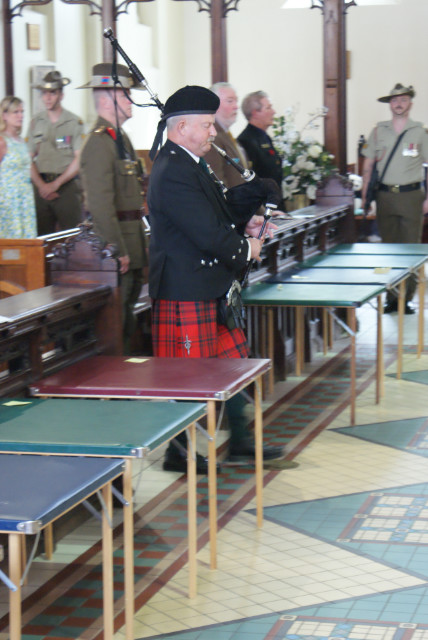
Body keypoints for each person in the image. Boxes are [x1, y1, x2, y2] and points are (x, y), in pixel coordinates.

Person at [148, 85, 282, 474]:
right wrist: (246, 249)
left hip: (209, 285)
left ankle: (239, 440)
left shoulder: (191, 162)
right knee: (188, 377)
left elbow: (216, 212)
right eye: (206, 125)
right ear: (182, 127)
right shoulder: (172, 170)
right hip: (185, 288)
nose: (212, 131)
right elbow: (205, 232)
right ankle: (178, 452)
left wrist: (249, 221)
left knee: (231, 365)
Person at [79, 63, 148, 354]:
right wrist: (115, 249)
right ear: (108, 100)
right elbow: (100, 204)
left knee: (128, 317)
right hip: (118, 246)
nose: (132, 100)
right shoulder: (98, 143)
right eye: (126, 94)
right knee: (117, 323)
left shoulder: (121, 139)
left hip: (132, 239)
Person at [362, 83, 428, 314]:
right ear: (389, 104)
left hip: (412, 196)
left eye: (403, 99)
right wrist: (365, 196)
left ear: (410, 103)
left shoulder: (419, 131)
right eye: (394, 100)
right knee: (388, 248)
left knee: (410, 248)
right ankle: (391, 297)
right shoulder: (378, 131)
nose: (399, 104)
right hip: (385, 196)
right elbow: (368, 165)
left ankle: (406, 299)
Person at [27, 70, 84, 236]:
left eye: (52, 93)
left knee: (72, 237)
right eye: (44, 93)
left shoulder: (74, 122)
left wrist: (56, 184)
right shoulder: (36, 122)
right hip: (41, 187)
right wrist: (42, 186)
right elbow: (28, 158)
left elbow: (79, 158)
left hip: (66, 187)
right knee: (42, 240)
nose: (47, 97)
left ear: (61, 95)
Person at [0, 96, 37, 238]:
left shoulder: (21, 141)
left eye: (22, 112)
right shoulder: (2, 141)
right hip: (8, 200)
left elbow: (28, 168)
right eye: (16, 112)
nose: (20, 116)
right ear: (4, 115)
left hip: (24, 198)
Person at [204, 82, 249, 188]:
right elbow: (218, 181)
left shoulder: (226, 134)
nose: (236, 107)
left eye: (236, 101)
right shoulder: (212, 137)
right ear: (213, 105)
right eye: (230, 101)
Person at [237, 90, 283, 190]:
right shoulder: (246, 141)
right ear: (255, 113)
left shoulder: (264, 137)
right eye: (268, 108)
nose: (273, 112)